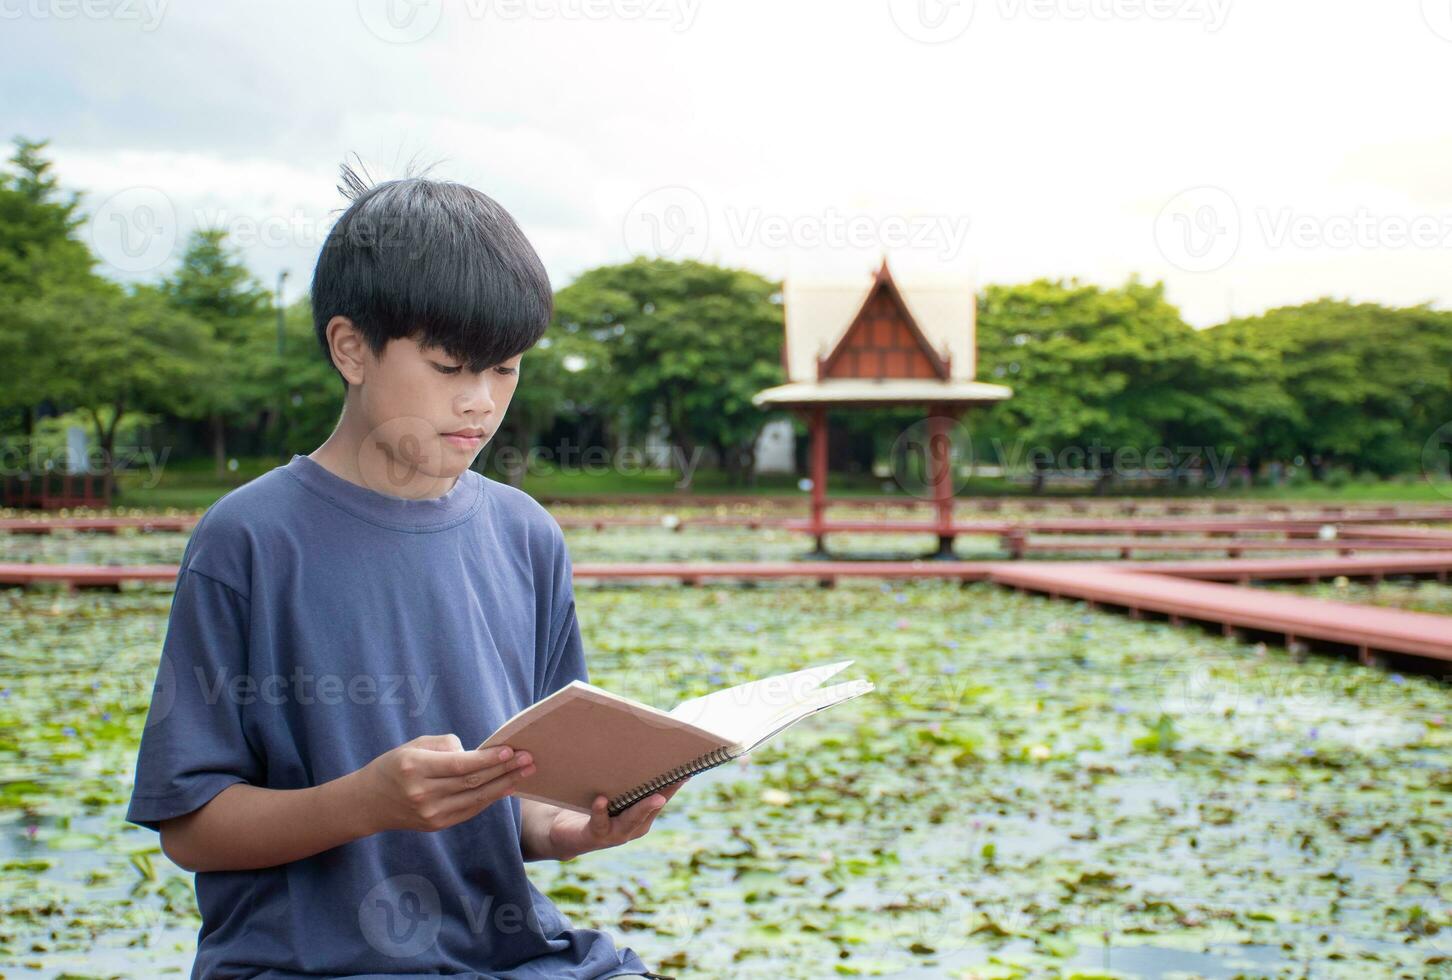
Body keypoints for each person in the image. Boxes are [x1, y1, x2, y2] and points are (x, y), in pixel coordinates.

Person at [125, 163, 682, 979]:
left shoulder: (527, 536)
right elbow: (192, 829)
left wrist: (573, 830)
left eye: (507, 368)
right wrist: (366, 804)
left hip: (511, 953)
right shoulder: (247, 541)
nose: (482, 403)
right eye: (452, 367)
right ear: (351, 348)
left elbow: (521, 797)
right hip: (311, 963)